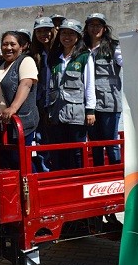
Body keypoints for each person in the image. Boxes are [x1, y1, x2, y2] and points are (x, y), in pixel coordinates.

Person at [0, 31, 39, 170]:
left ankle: (30, 189)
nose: (8, 48)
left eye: (13, 44)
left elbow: (26, 84)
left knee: (21, 161)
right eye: (5, 44)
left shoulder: (25, 61)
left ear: (22, 47)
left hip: (20, 123)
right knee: (4, 162)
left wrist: (13, 108)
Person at [47, 19, 95, 170]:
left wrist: (90, 110)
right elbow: (50, 86)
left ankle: (78, 180)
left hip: (77, 113)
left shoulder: (84, 57)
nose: (66, 37)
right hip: (56, 112)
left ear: (78, 37)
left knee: (77, 151)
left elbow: (89, 85)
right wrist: (48, 108)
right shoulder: (54, 58)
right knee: (59, 150)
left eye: (71, 33)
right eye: (63, 33)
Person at [83, 13, 123, 165]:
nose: (95, 28)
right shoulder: (81, 48)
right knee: (95, 144)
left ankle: (115, 174)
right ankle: (98, 176)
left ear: (104, 28)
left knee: (111, 143)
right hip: (88, 105)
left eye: (98, 25)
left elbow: (129, 60)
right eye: (91, 25)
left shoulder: (114, 47)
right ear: (87, 28)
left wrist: (137, 40)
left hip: (109, 104)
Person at [29, 16, 56, 172]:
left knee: (57, 140)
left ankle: (57, 171)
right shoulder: (33, 54)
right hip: (39, 104)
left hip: (57, 104)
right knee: (41, 140)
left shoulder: (60, 51)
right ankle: (45, 172)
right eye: (39, 31)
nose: (43, 34)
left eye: (47, 30)